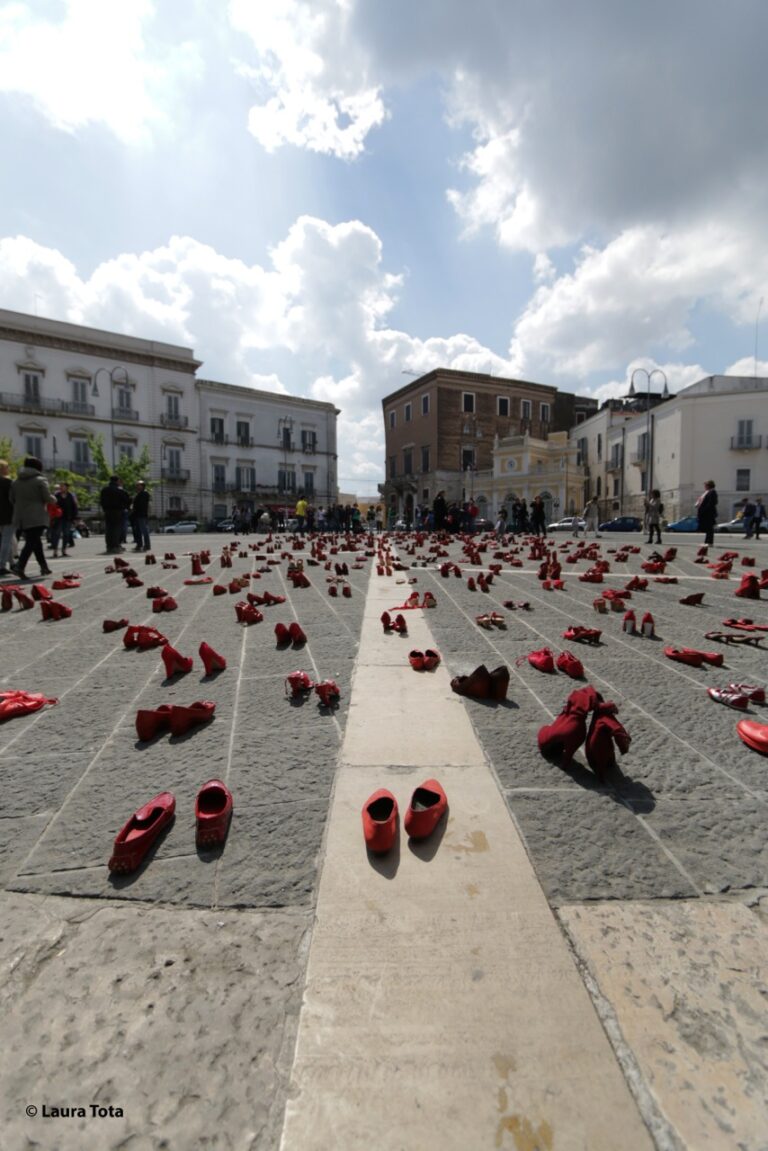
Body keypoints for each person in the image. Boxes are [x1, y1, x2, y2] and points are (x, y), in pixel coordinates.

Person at [10, 456, 52, 579]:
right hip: (37, 515)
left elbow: (11, 499)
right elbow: (47, 498)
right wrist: (54, 499)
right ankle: (20, 566)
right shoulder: (40, 480)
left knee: (35, 541)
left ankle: (44, 566)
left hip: (21, 516)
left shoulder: (15, 482)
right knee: (31, 542)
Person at [100, 475, 131, 554]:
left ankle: (109, 546)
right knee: (116, 529)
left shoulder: (104, 490)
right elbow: (127, 500)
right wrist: (126, 508)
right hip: (118, 512)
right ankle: (115, 546)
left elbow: (102, 501)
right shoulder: (120, 491)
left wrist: (105, 509)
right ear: (117, 481)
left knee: (109, 529)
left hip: (108, 512)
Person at [53, 482, 78, 557]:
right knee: (56, 534)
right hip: (58, 518)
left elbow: (74, 507)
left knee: (66, 534)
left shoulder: (71, 496)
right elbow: (52, 506)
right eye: (60, 486)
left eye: (62, 486)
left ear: (67, 487)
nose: (61, 487)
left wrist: (74, 517)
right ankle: (55, 551)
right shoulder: (56, 495)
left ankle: (64, 550)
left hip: (68, 518)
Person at [0, 458, 14, 575]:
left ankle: (12, 562)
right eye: (7, 467)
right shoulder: (8, 483)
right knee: (6, 540)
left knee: (7, 540)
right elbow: (13, 499)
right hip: (8, 514)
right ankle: (2, 565)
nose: (8, 469)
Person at [696, 479, 718, 546]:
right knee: (707, 528)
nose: (704, 486)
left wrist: (704, 509)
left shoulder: (712, 492)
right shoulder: (708, 492)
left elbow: (712, 503)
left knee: (709, 528)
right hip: (706, 513)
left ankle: (709, 542)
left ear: (709, 485)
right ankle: (706, 542)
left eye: (705, 485)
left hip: (709, 513)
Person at [132, 481, 151, 551]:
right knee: (138, 531)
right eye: (136, 485)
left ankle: (147, 545)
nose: (136, 486)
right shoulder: (139, 494)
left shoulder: (144, 494)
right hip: (138, 515)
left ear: (142, 486)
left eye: (138, 485)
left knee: (144, 530)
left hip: (141, 515)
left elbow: (141, 505)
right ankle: (139, 545)